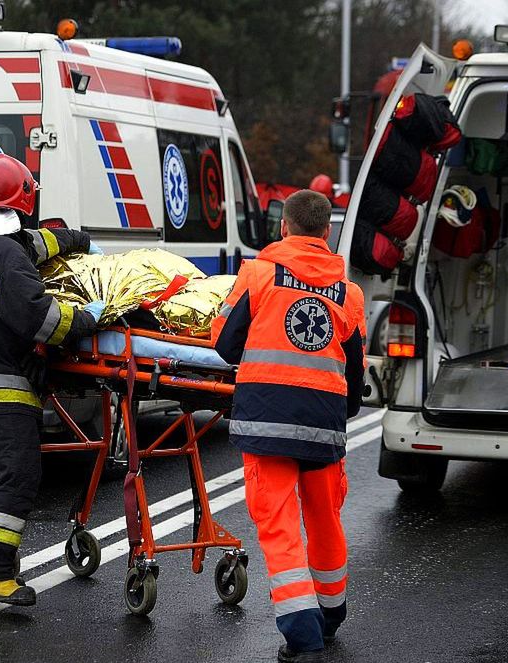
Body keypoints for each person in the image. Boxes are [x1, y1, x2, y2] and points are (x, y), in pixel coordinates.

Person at [211, 189, 366, 663]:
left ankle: (303, 639)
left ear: (283, 227)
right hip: (323, 424)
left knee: (280, 529)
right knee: (324, 519)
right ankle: (330, 614)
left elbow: (223, 341)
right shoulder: (350, 291)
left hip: (267, 421)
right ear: (326, 232)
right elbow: (355, 371)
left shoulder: (258, 274)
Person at [0, 153, 105, 607]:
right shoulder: (8, 258)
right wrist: (88, 318)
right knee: (16, 476)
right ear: (22, 201)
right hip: (4, 389)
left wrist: (76, 240)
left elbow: (33, 243)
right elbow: (44, 321)